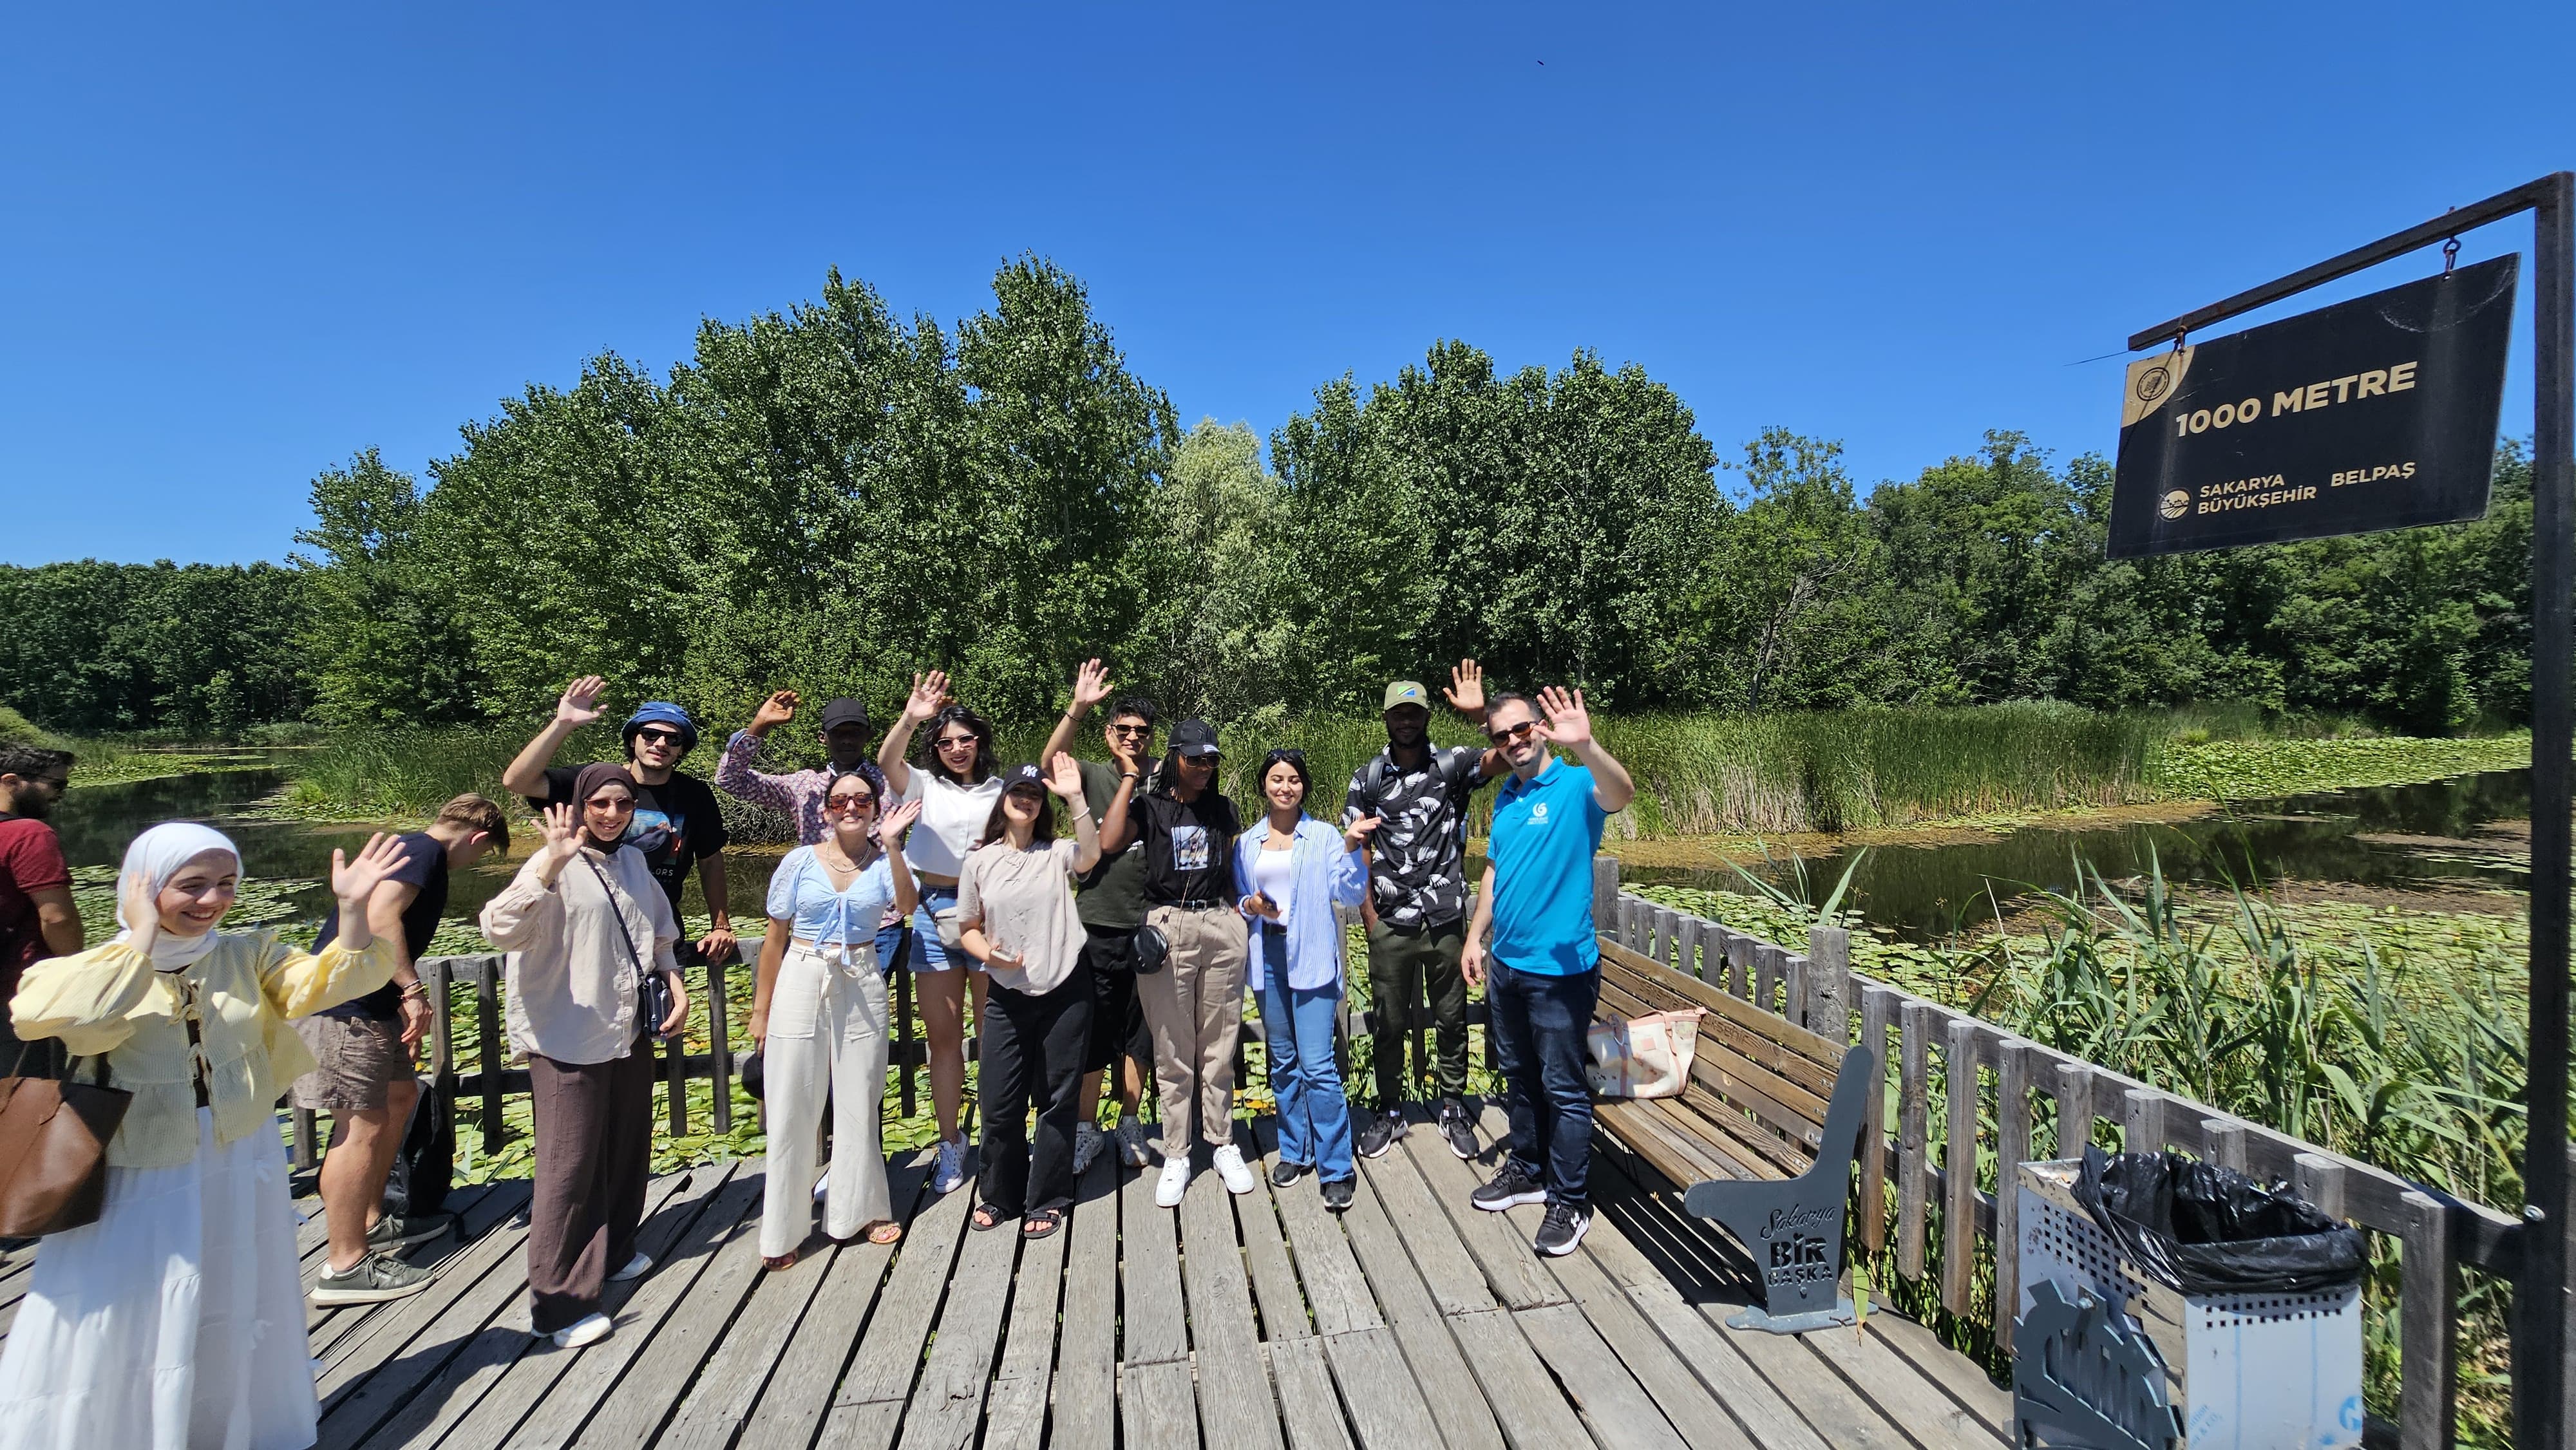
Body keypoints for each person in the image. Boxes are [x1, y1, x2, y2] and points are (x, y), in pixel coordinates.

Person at [0, 823, 410, 1449]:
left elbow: (328, 982)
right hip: (143, 1166)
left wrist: (352, 910)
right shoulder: (99, 966)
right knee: (134, 1303)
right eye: (191, 885)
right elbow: (59, 1014)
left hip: (240, 1152)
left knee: (229, 1290)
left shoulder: (244, 953)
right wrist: (139, 936)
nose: (212, 900)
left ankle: (215, 1425)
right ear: (143, 884)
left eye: (225, 883)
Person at [479, 765, 693, 1349]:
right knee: (568, 1166)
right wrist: (548, 862)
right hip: (566, 1035)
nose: (610, 814)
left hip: (624, 1029)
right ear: (578, 805)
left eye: (622, 804)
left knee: (625, 1147)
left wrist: (674, 981)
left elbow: (661, 935)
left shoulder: (634, 861)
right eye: (598, 803)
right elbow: (497, 929)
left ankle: (616, 1248)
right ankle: (558, 1302)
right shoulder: (553, 862)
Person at [296, 793, 509, 1306]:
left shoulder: (414, 847)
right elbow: (382, 915)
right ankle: (345, 1266)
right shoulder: (426, 853)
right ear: (477, 840)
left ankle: (376, 1222)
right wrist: (413, 991)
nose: (472, 864)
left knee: (399, 1099)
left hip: (371, 1005)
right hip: (347, 1007)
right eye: (479, 857)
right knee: (359, 1126)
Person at [1461, 687, 1636, 1257]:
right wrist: (1475, 936)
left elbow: (1622, 792)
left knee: (1563, 1087)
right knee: (1518, 1073)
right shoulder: (1507, 798)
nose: (1512, 742)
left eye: (1520, 730)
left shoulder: (1575, 787)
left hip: (1561, 974)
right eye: (1500, 736)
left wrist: (1586, 745)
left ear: (1540, 727)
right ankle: (1528, 1170)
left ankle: (1571, 1199)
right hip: (1508, 965)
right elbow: (1494, 871)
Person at [748, 763, 920, 1268]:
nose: (852, 806)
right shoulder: (800, 861)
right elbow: (775, 940)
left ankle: (858, 1210)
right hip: (802, 975)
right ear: (825, 812)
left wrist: (892, 846)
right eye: (841, 800)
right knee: (792, 1102)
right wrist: (761, 1011)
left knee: (859, 1097)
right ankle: (784, 1227)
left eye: (863, 800)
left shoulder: (888, 859)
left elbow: (907, 906)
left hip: (862, 975)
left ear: (876, 810)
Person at [1343, 663, 1503, 1162]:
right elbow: (1357, 850)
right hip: (1391, 922)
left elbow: (1508, 757)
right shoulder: (1368, 777)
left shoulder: (1453, 765)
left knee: (1452, 1018)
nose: (1407, 721)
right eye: (1399, 714)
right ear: (1387, 719)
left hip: (1445, 920)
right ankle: (1390, 1110)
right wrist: (1370, 917)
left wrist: (1484, 716)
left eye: (1415, 713)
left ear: (1427, 716)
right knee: (1388, 1021)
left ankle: (1452, 1105)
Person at [1102, 717, 1252, 1208]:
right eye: (1195, 759)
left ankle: (1223, 1141)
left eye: (1212, 759)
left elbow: (1230, 867)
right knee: (1171, 1049)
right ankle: (1177, 1152)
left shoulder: (1224, 810)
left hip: (1217, 923)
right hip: (1168, 926)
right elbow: (1107, 842)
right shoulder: (1150, 806)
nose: (1205, 768)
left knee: (1220, 1043)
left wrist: (1236, 917)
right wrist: (1129, 775)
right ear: (1174, 758)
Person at [499, 675, 737, 968]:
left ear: (681, 749)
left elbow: (710, 860)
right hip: (588, 926)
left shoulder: (695, 795)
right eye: (650, 735)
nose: (660, 744)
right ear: (633, 739)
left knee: (663, 1010)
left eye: (673, 739)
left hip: (658, 931)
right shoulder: (594, 782)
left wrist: (720, 924)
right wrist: (562, 725)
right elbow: (516, 781)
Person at [959, 756, 1101, 1238]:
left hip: (1066, 988)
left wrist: (1076, 798)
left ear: (1043, 806)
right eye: (1018, 793)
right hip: (1006, 992)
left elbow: (1091, 856)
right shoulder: (979, 861)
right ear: (1003, 800)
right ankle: (1000, 1193)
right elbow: (968, 928)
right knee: (998, 1100)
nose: (1025, 800)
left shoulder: (1057, 851)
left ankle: (1048, 1197)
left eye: (1034, 796)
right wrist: (991, 958)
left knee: (1058, 1098)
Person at [875, 669, 1005, 1194]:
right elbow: (887, 762)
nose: (957, 749)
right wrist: (912, 717)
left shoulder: (1002, 790)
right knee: (944, 1040)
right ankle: (952, 1145)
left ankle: (1000, 1140)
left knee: (997, 1035)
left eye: (966, 740)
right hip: (933, 908)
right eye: (946, 742)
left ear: (980, 743)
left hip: (992, 912)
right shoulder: (924, 786)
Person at [1236, 749, 1376, 1212]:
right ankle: (1295, 1151)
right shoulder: (1248, 841)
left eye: (1294, 779)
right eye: (1276, 779)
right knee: (1281, 1060)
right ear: (1264, 786)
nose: (1285, 787)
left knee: (1317, 1065)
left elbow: (1350, 891)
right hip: (1268, 955)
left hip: (1312, 954)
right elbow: (1241, 898)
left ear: (1304, 787)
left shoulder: (1323, 836)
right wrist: (1251, 907)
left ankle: (1337, 1165)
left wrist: (1354, 848)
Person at [1036, 659, 1158, 1174]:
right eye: (1123, 728)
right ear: (1110, 733)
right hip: (1095, 925)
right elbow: (1049, 763)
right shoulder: (1090, 775)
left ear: (1152, 738)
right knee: (1089, 1033)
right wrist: (1078, 707)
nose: (1132, 736)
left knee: (1140, 1034)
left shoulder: (1166, 779)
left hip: (1151, 925)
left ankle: (1130, 1123)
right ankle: (1085, 1130)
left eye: (1141, 731)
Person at [0, 744, 80, 1077]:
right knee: (30, 1104)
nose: (61, 794)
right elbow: (56, 917)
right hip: (22, 997)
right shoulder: (28, 834)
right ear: (12, 781)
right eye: (56, 785)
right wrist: (79, 973)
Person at [715, 690, 876, 845]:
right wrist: (759, 725)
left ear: (868, 735)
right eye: (838, 733)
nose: (847, 740)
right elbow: (729, 780)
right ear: (822, 737)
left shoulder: (892, 782)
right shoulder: (803, 787)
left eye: (855, 733)